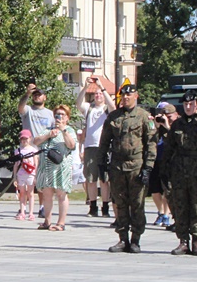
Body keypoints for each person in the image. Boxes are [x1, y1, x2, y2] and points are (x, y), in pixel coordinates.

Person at [97, 84, 156, 253]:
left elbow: (151, 144)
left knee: (137, 203)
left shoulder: (144, 116)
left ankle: (136, 239)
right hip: (117, 166)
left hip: (136, 165)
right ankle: (123, 238)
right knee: (120, 203)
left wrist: (148, 167)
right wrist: (101, 164)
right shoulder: (113, 117)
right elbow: (104, 142)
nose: (125, 98)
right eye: (123, 95)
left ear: (136, 96)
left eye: (129, 95)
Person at [161, 90, 197, 256]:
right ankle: (183, 241)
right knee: (180, 206)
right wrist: (164, 170)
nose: (187, 107)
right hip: (179, 171)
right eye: (185, 104)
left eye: (191, 104)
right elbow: (169, 148)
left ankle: (196, 241)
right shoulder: (177, 124)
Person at [77, 76, 116, 219]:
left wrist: (102, 87)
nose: (98, 95)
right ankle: (93, 207)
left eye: (100, 94)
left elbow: (113, 107)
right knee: (91, 179)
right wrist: (85, 87)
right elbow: (78, 103)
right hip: (90, 146)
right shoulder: (89, 108)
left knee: (104, 179)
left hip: (104, 147)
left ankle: (105, 207)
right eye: (96, 93)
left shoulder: (106, 109)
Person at [34, 105, 76, 231]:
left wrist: (63, 130)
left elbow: (71, 145)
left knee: (61, 194)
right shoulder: (48, 130)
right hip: (46, 168)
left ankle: (61, 223)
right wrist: (48, 135)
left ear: (67, 118)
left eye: (63, 114)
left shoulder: (69, 130)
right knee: (47, 194)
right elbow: (36, 141)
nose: (60, 117)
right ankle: (47, 221)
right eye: (57, 114)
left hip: (61, 168)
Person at [148, 104, 175, 229]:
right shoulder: (157, 125)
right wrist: (156, 125)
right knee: (155, 190)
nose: (165, 118)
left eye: (168, 116)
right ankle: (160, 211)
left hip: (168, 161)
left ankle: (166, 214)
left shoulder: (176, 125)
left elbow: (176, 138)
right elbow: (150, 139)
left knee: (167, 190)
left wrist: (167, 125)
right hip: (155, 160)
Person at [13, 130, 38, 221]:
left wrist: (35, 176)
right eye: (22, 139)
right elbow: (16, 164)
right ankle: (22, 212)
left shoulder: (33, 150)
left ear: (30, 139)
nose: (24, 141)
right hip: (21, 174)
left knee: (30, 193)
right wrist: (14, 177)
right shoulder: (18, 151)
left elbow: (36, 164)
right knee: (22, 193)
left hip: (31, 174)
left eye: (26, 139)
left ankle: (31, 213)